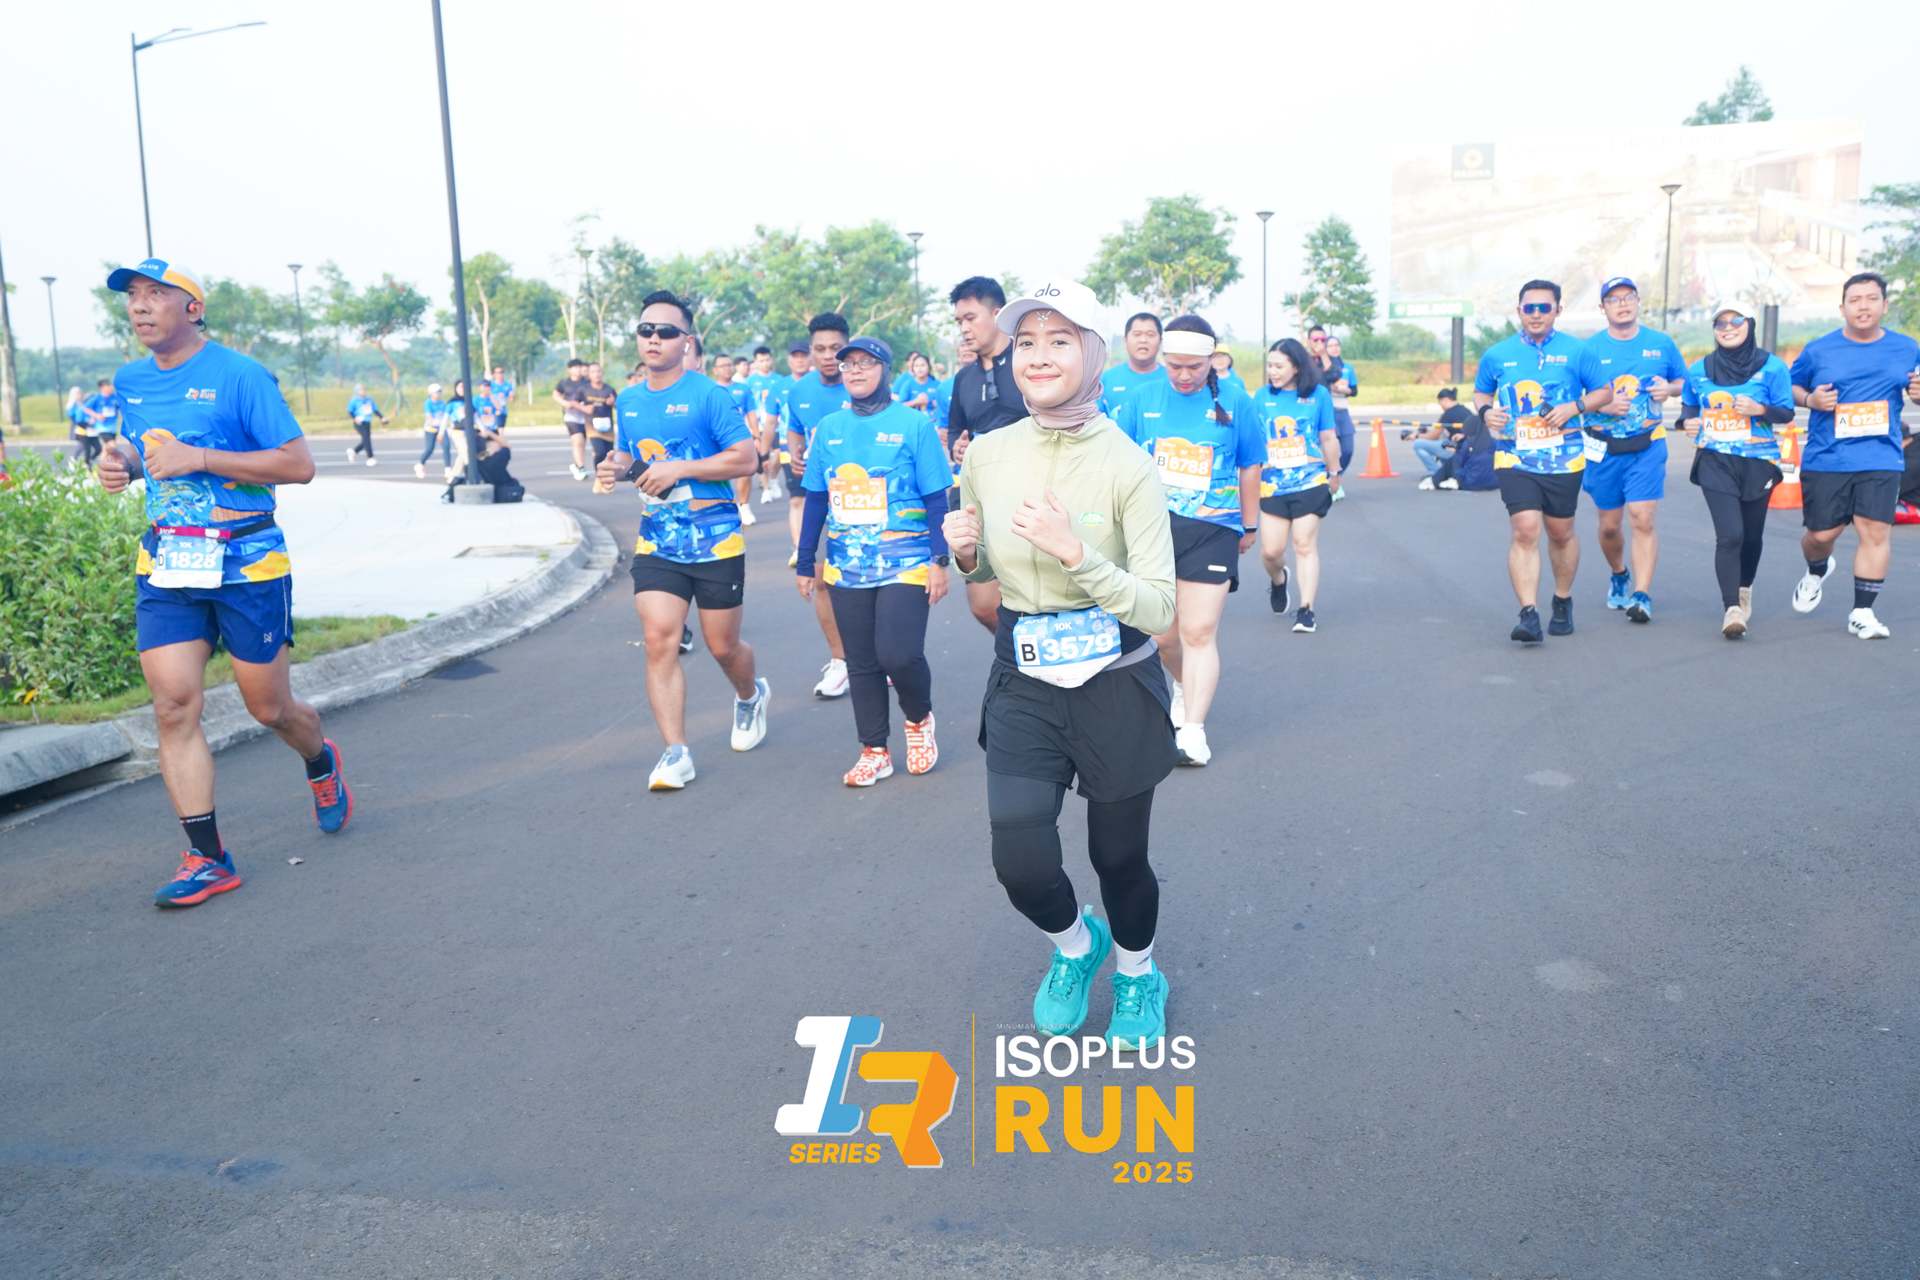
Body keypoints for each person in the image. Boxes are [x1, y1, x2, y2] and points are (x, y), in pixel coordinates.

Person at [943, 275, 1178, 1050]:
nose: (1038, 356)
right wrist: (968, 555)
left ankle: (1139, 972)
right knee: (1019, 857)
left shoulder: (1129, 466)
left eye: (1059, 340)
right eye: (1026, 342)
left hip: (1116, 682)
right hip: (1024, 678)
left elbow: (1158, 608)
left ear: (1093, 354)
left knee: (1119, 857)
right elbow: (986, 575)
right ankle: (1077, 947)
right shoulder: (988, 455)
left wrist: (1076, 553)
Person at [94, 257, 350, 907]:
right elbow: (142, 446)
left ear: (193, 308)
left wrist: (200, 458)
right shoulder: (131, 380)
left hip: (246, 563)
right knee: (173, 706)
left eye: (157, 293)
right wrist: (123, 462)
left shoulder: (240, 375)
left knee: (271, 709)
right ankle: (208, 859)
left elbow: (298, 464)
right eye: (133, 296)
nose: (140, 305)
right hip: (169, 562)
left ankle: (320, 761)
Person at [598, 289, 768, 788]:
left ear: (686, 341)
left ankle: (750, 695)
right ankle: (676, 753)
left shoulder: (709, 395)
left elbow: (746, 459)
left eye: (666, 331)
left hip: (715, 541)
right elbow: (630, 457)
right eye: (645, 330)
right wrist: (614, 467)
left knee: (723, 647)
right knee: (659, 640)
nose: (653, 338)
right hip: (658, 540)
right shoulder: (628, 400)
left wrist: (680, 469)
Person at [795, 335, 952, 784]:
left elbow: (936, 498)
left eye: (867, 362)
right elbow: (816, 498)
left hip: (907, 559)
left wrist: (940, 559)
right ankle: (875, 750)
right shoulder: (828, 428)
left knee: (899, 655)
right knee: (861, 661)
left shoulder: (913, 424)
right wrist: (805, 561)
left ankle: (918, 720)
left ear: (886, 370)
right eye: (849, 364)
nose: (856, 370)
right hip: (846, 564)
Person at [1114, 314, 1263, 766]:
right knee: (1164, 639)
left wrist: (1250, 526)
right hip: (1151, 532)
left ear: (1211, 360)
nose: (1183, 375)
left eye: (1193, 367)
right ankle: (1183, 683)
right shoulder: (1141, 400)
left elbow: (1250, 466)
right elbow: (1118, 463)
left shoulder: (1237, 402)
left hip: (1213, 531)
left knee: (1198, 631)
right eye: (1174, 365)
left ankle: (1193, 731)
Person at [1788, 272, 1920, 639]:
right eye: (1855, 299)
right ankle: (1817, 569)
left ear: (1885, 305)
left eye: (1871, 299)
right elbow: (1791, 386)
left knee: (1875, 531)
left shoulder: (1907, 348)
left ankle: (1862, 611)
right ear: (1842, 307)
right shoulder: (1819, 349)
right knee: (1820, 535)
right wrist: (1810, 399)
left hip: (1881, 456)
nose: (1863, 306)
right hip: (1828, 457)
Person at [1474, 279, 1588, 643]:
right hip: (1514, 455)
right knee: (1525, 529)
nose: (1536, 314)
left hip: (1564, 458)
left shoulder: (1578, 350)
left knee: (1560, 533)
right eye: (1529, 307)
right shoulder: (1497, 353)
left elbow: (1604, 392)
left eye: (1544, 307)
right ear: (1519, 311)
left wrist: (1574, 407)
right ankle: (1529, 614)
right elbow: (1481, 392)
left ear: (1558, 310)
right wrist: (1486, 412)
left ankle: (1562, 599)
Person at [1675, 303, 1794, 637]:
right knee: (1731, 535)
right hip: (1715, 460)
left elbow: (1786, 412)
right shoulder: (1699, 369)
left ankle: (1744, 587)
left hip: (1758, 462)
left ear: (1750, 324)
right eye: (1720, 323)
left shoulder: (1773, 367)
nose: (1728, 327)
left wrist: (1760, 409)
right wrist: (1687, 422)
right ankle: (1732, 609)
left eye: (1736, 320)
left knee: (1752, 537)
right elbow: (1688, 407)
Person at [1574, 277, 1687, 623]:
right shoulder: (1589, 350)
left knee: (1643, 517)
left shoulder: (1661, 344)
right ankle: (1619, 574)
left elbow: (1683, 382)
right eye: (1613, 299)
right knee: (1610, 526)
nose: (1622, 304)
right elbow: (1573, 397)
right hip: (1603, 448)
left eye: (1628, 297)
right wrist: (1602, 405)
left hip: (1647, 445)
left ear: (1638, 302)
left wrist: (1669, 389)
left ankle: (1642, 594)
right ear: (1602, 308)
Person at [948, 277, 1027, 632]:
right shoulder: (963, 378)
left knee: (1037, 593)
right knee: (983, 606)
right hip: (978, 499)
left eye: (970, 318)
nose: (964, 329)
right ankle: (1020, 651)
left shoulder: (1028, 364)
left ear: (997, 315)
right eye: (959, 321)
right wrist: (957, 446)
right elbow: (956, 430)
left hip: (1029, 496)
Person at [784, 314, 854, 697]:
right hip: (820, 495)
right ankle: (841, 661)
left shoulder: (862, 381)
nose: (828, 356)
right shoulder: (799, 390)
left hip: (865, 496)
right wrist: (796, 454)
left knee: (870, 578)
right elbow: (795, 429)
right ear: (810, 351)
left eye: (836, 348)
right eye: (820, 349)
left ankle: (879, 656)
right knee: (822, 575)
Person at [1252, 338, 1339, 632]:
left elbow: (1328, 437)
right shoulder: (1261, 397)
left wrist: (1335, 471)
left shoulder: (1319, 395)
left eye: (1279, 366)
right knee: (1271, 552)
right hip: (1272, 484)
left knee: (1304, 543)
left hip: (1310, 480)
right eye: (1270, 366)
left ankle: (1306, 609)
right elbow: (1254, 440)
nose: (1273, 371)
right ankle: (1279, 580)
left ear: (1297, 367)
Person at [1308, 328, 1358, 498]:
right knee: (1324, 451)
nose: (1320, 344)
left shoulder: (1335, 362)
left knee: (1348, 450)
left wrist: (1324, 355)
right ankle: (1324, 483)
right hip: (1319, 411)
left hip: (1341, 411)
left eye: (1323, 340)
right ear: (1309, 341)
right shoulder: (1307, 361)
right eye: (1316, 340)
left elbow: (1335, 375)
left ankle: (1334, 478)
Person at [1100, 313, 1166, 415]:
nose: (1143, 340)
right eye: (1137, 334)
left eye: (1150, 335)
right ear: (1125, 340)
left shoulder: (1172, 379)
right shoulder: (1104, 380)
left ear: (1160, 341)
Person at [1412, 388, 1474, 485]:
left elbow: (1433, 436)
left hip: (1456, 450)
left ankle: (1435, 473)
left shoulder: (1448, 413)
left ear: (1445, 400)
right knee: (1444, 436)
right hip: (1468, 450)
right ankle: (1448, 471)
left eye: (1440, 404)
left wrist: (1416, 435)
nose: (1441, 407)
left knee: (1418, 444)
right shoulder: (1465, 410)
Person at [553, 357, 593, 480]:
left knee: (583, 442)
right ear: (569, 370)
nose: (578, 369)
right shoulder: (564, 383)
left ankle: (577, 464)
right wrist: (565, 403)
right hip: (571, 416)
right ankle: (581, 467)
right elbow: (556, 395)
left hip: (586, 416)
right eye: (575, 367)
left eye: (579, 367)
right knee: (577, 440)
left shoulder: (587, 382)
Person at [582, 361, 619, 475]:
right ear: (588, 374)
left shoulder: (609, 389)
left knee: (608, 454)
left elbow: (618, 406)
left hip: (608, 427)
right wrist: (584, 408)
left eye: (598, 371)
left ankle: (607, 475)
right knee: (599, 452)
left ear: (602, 373)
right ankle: (599, 474)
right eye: (593, 372)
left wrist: (613, 403)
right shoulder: (584, 389)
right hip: (592, 426)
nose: (596, 374)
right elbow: (573, 402)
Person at [414, 382, 452, 479]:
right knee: (429, 449)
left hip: (441, 428)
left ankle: (448, 468)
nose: (438, 394)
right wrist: (436, 422)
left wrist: (444, 424)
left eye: (439, 392)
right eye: (436, 392)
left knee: (446, 446)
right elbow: (428, 416)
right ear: (431, 393)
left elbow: (445, 415)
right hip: (430, 429)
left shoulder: (442, 403)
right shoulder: (428, 402)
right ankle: (420, 464)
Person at [893, 351, 939, 424]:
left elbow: (945, 404)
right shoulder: (908, 384)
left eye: (922, 365)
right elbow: (900, 406)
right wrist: (916, 401)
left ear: (929, 367)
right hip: (912, 422)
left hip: (933, 423)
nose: (919, 368)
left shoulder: (937, 384)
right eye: (916, 366)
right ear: (913, 368)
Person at [345, 383, 383, 466]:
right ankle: (370, 457)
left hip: (367, 422)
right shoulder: (354, 400)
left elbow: (375, 410)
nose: (363, 391)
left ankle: (354, 451)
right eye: (361, 389)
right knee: (366, 438)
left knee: (366, 440)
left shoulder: (369, 400)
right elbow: (350, 411)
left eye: (364, 389)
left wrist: (382, 418)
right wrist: (355, 418)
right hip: (359, 422)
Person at [85, 378, 124, 447]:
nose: (110, 387)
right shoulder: (96, 398)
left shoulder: (115, 397)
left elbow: (120, 408)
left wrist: (123, 418)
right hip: (102, 427)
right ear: (102, 388)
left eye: (110, 385)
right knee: (113, 446)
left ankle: (102, 455)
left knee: (107, 448)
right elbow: (86, 408)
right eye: (108, 386)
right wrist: (96, 415)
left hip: (113, 427)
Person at [66, 386, 96, 466]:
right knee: (84, 444)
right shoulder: (72, 405)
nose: (80, 395)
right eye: (78, 393)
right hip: (78, 425)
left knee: (84, 444)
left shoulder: (81, 403)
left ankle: (76, 459)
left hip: (85, 424)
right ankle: (75, 459)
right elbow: (72, 415)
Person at [488, 365, 514, 430]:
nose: (500, 374)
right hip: (492, 410)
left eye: (501, 372)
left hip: (502, 410)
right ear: (494, 374)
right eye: (498, 373)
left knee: (501, 427)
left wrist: (512, 396)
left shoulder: (508, 385)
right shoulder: (491, 385)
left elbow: (512, 400)